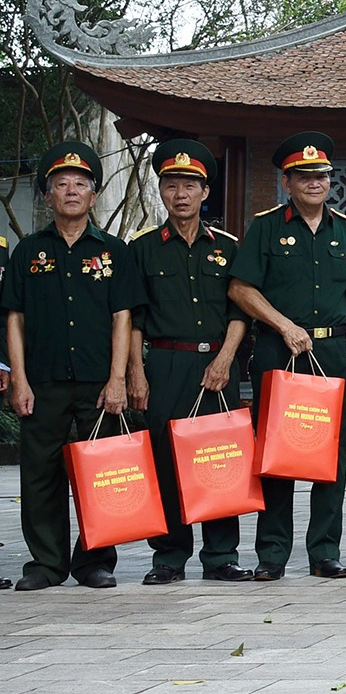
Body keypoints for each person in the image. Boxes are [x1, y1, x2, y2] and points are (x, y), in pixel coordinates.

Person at [3, 142, 142, 590]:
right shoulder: (28, 251)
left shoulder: (114, 252)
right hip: (42, 382)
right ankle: (45, 565)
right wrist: (19, 379)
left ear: (94, 194)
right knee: (40, 475)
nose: (70, 191)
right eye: (60, 184)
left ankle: (95, 561)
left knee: (102, 473)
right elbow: (15, 318)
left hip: (97, 381)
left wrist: (118, 378)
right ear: (47, 196)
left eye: (80, 184)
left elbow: (124, 318)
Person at [227, 131, 346, 581]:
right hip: (279, 350)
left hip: (334, 352)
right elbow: (241, 288)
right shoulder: (265, 226)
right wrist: (284, 324)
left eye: (321, 175)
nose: (313, 183)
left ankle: (325, 551)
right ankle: (272, 553)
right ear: (287, 182)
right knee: (277, 455)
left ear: (330, 181)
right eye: (303, 176)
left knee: (331, 457)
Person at [126, 139, 251, 584]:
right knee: (164, 459)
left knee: (222, 458)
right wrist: (135, 371)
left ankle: (221, 557)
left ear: (205, 193)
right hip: (164, 364)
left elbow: (241, 310)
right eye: (172, 185)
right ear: (161, 191)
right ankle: (169, 557)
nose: (181, 194)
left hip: (219, 363)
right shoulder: (142, 248)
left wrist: (225, 359)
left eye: (190, 186)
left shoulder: (229, 247)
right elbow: (134, 317)